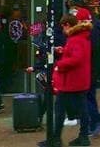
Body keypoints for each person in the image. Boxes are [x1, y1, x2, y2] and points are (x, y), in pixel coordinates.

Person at [40, 14, 93, 147]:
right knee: (82, 108)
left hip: (71, 81)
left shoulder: (75, 39)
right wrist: (64, 51)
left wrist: (59, 65)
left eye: (63, 27)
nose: (62, 30)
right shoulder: (82, 37)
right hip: (79, 80)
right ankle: (83, 136)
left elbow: (76, 58)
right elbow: (78, 55)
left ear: (67, 25)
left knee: (60, 109)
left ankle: (56, 138)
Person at [73, 8, 100, 137]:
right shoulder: (95, 29)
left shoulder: (90, 32)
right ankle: (92, 124)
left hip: (89, 68)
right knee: (89, 96)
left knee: (84, 97)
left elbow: (90, 51)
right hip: (93, 68)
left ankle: (97, 120)